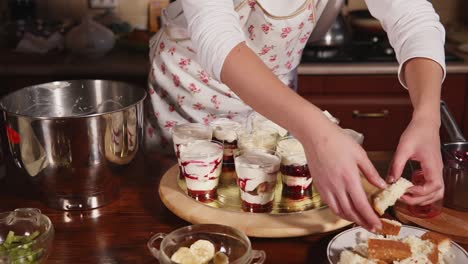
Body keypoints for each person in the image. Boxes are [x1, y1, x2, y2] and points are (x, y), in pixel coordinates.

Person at [146, 0, 445, 231]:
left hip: (279, 103)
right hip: (190, 97)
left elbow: (412, 18)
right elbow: (216, 36)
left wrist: (428, 117)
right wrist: (318, 132)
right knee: (184, 214)